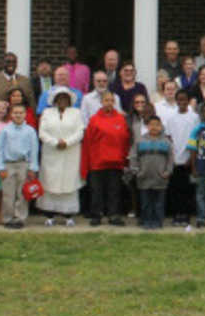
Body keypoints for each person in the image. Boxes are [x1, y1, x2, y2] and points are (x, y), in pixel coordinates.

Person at [80, 91, 130, 227]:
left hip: (116, 163)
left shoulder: (120, 119)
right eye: (106, 100)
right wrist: (87, 164)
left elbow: (125, 141)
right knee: (97, 191)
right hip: (97, 162)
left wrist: (125, 160)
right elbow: (88, 143)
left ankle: (113, 215)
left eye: (111, 100)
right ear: (101, 102)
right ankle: (96, 215)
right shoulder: (94, 120)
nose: (109, 103)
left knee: (114, 191)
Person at [38, 90, 84, 226]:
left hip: (71, 153)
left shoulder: (76, 113)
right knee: (50, 181)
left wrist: (67, 142)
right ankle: (49, 215)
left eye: (66, 98)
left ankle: (68, 215)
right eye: (60, 98)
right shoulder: (47, 113)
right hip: (51, 152)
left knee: (69, 182)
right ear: (55, 100)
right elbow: (42, 132)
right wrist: (55, 142)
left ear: (70, 100)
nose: (63, 100)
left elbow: (80, 131)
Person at [0, 99, 39, 229]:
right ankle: (8, 218)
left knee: (22, 193)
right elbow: (0, 150)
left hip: (24, 164)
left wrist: (33, 168)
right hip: (8, 164)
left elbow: (34, 150)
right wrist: (0, 167)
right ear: (11, 114)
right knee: (8, 194)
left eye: (20, 113)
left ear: (25, 114)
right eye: (15, 113)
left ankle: (20, 218)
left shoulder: (30, 131)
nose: (18, 115)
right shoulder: (6, 130)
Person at [129, 115, 173, 229]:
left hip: (161, 178)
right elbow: (133, 156)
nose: (154, 127)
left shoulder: (166, 141)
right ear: (147, 126)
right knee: (145, 203)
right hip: (144, 178)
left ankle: (158, 222)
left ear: (161, 127)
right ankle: (146, 221)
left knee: (159, 203)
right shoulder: (140, 140)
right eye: (151, 125)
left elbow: (171, 158)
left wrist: (168, 171)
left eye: (157, 125)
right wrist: (136, 171)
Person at [167, 88, 199, 227]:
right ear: (176, 101)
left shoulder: (194, 117)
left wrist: (191, 158)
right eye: (179, 99)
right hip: (175, 159)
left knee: (187, 189)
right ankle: (177, 214)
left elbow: (195, 138)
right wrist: (172, 156)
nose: (181, 102)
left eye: (184, 99)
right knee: (175, 188)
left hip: (188, 158)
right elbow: (169, 137)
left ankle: (185, 214)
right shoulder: (171, 118)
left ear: (188, 101)